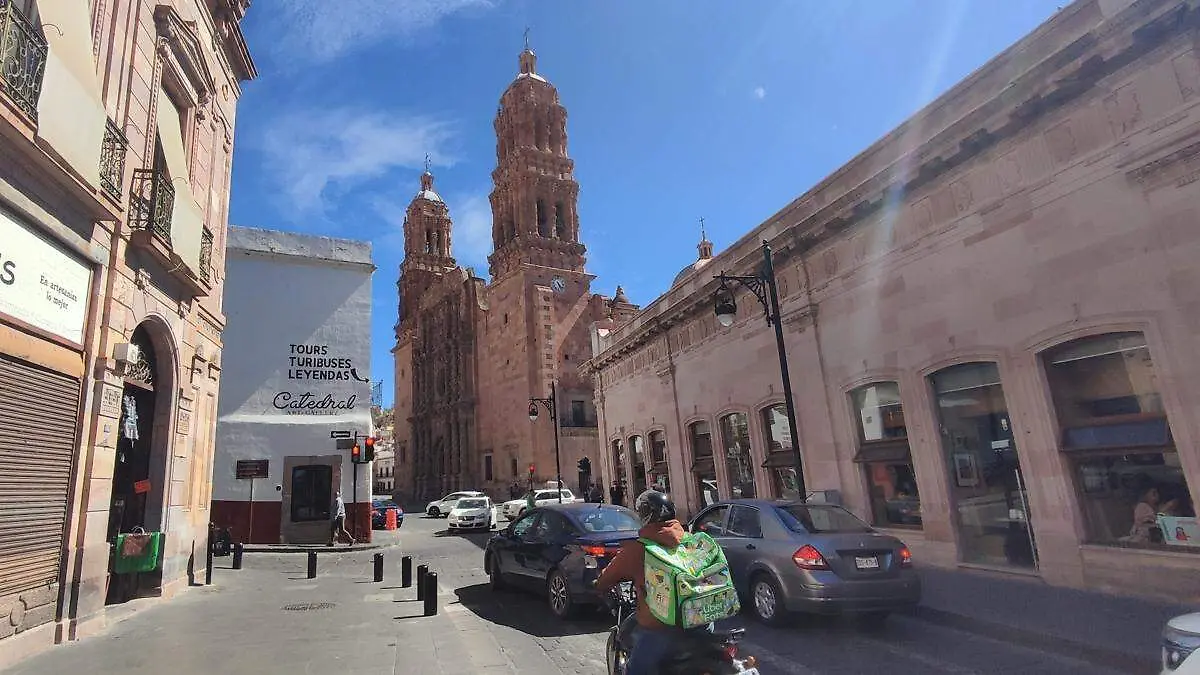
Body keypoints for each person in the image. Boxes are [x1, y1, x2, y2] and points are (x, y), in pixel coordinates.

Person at [595, 490, 706, 675]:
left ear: (645, 516)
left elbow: (607, 577)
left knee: (635, 670)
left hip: (663, 626)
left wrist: (598, 584)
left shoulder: (640, 549)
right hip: (702, 619)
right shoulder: (690, 540)